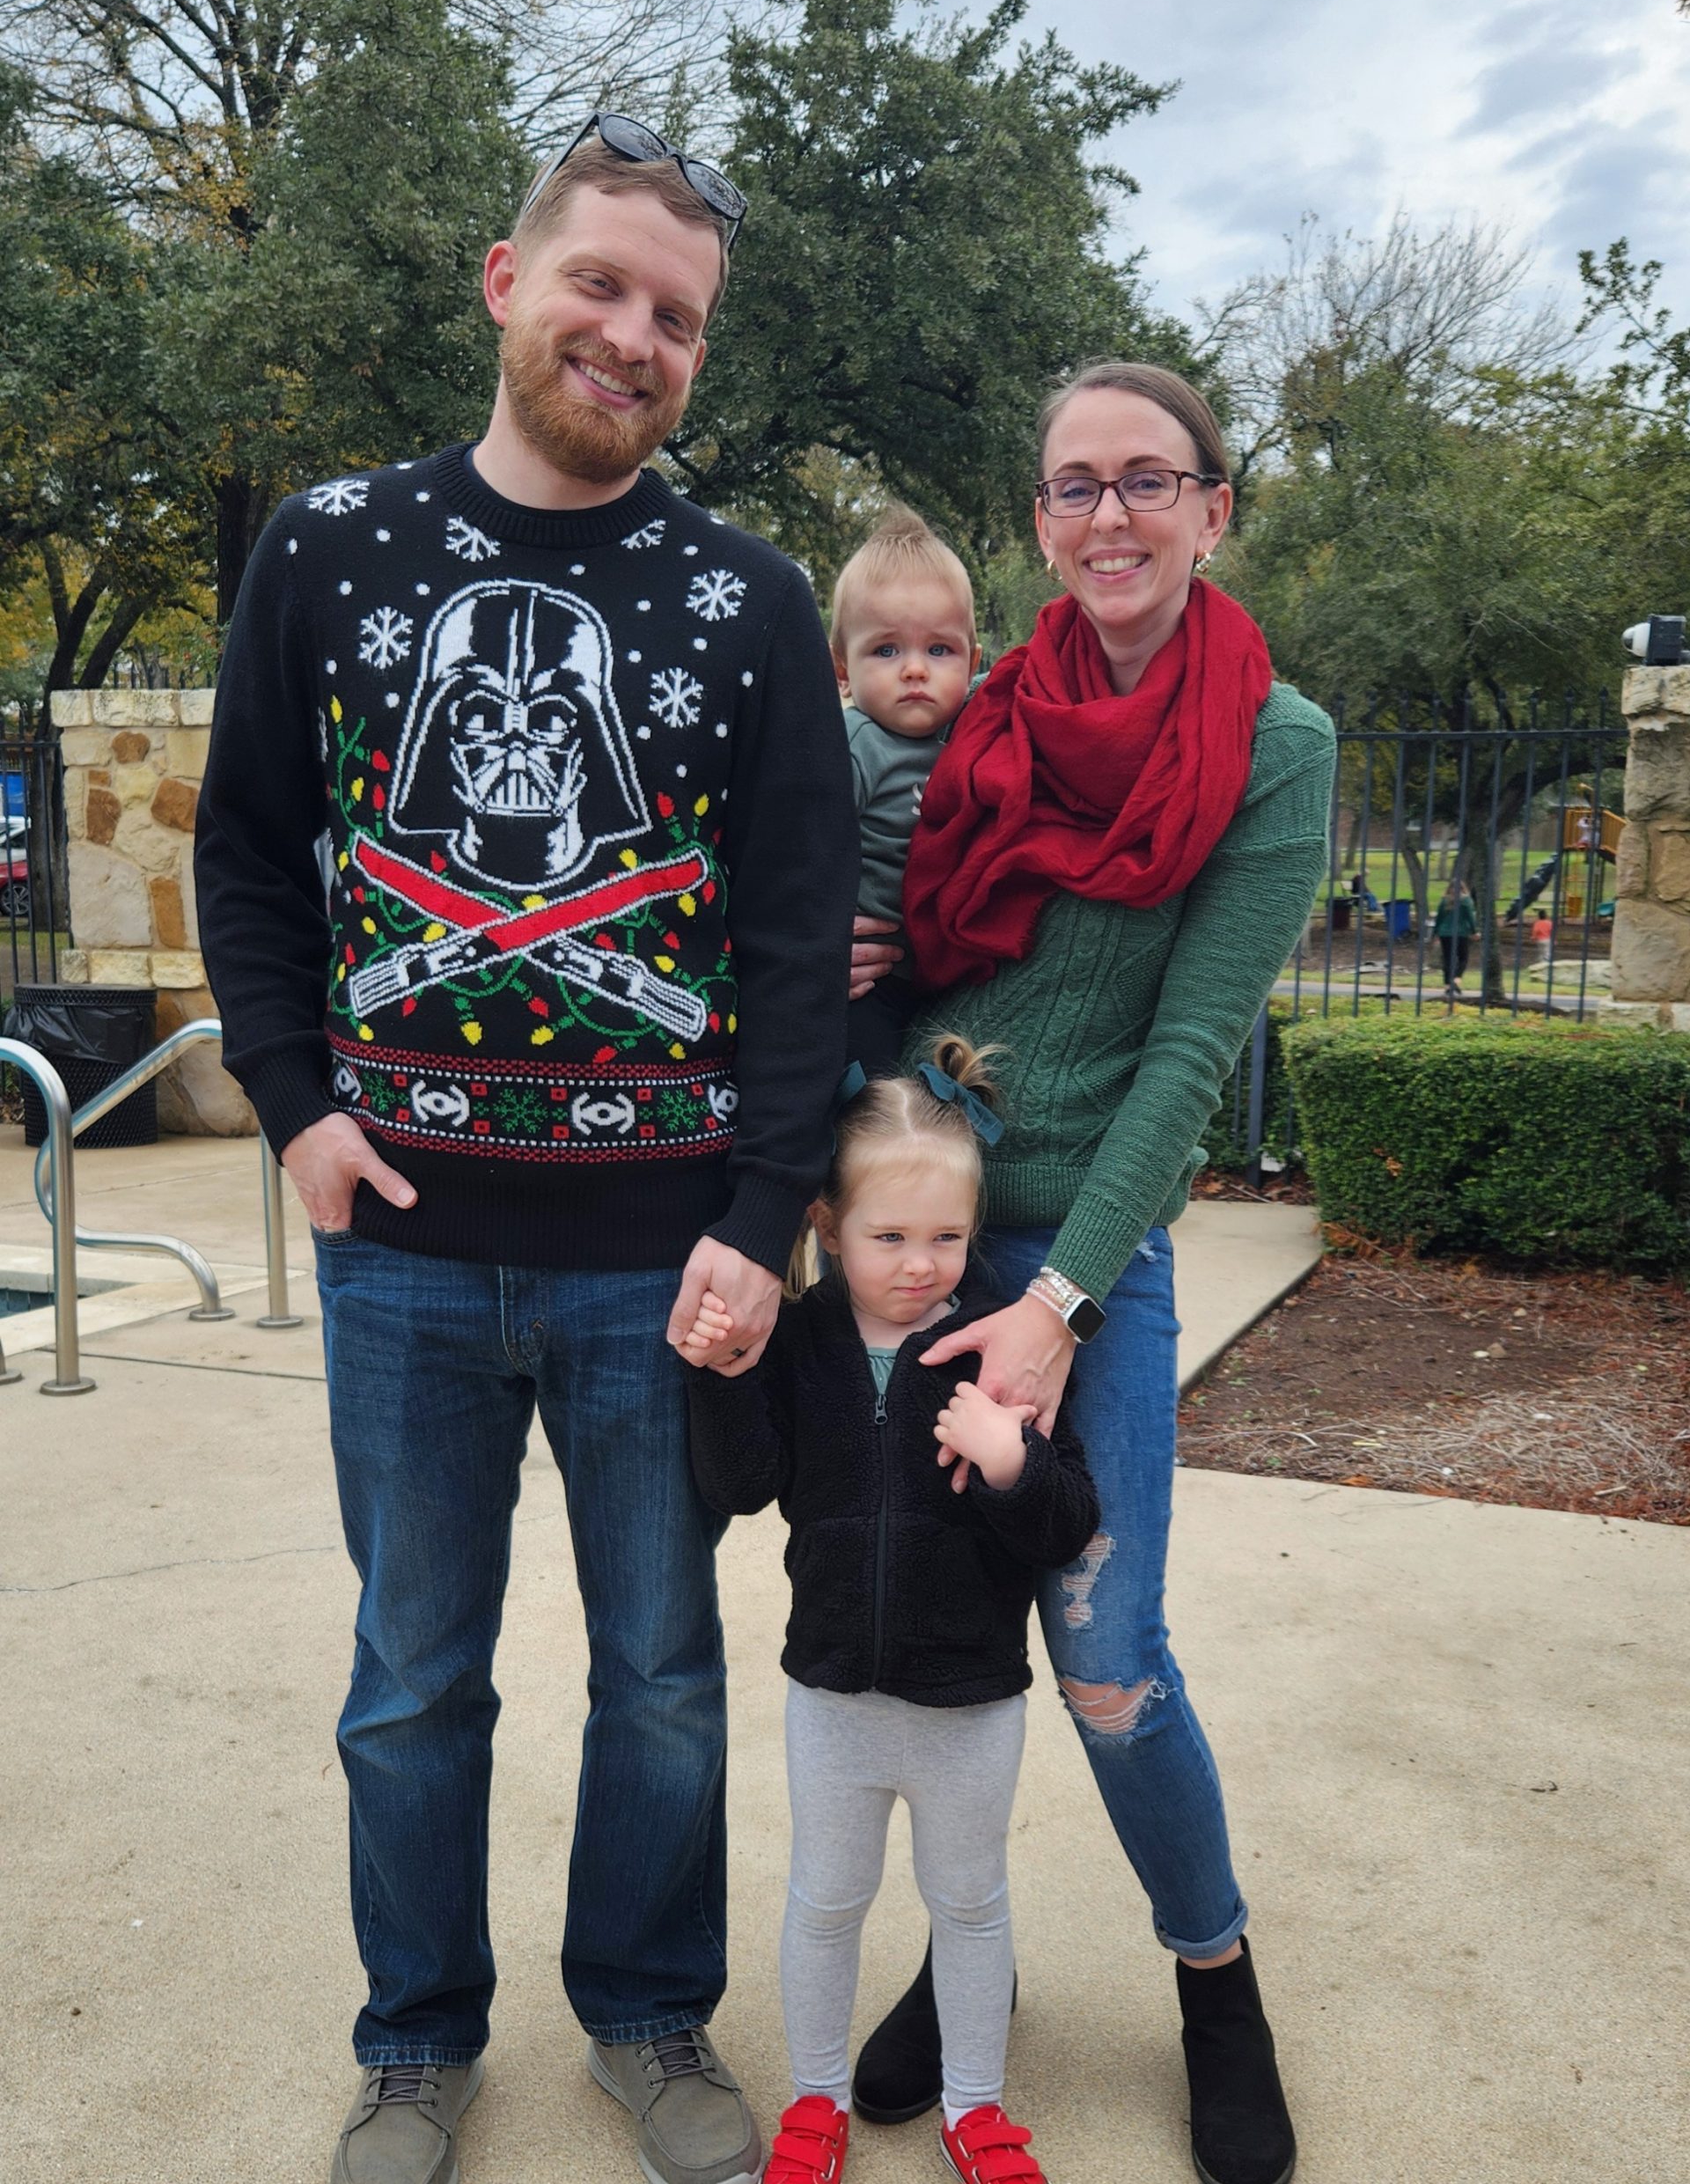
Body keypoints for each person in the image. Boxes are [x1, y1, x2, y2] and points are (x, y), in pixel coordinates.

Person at [195, 113, 856, 2184]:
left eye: (677, 314)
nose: (635, 334)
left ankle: (648, 2013)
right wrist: (297, 1101)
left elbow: (793, 931)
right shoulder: (326, 547)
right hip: (400, 1241)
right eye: (600, 283)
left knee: (659, 1670)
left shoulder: (750, 599)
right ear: (506, 280)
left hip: (663, 1253)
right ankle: (415, 2040)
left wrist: (764, 1208)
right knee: (412, 1676)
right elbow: (249, 847)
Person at [849, 362, 1336, 2184]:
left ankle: (1216, 1977)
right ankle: (965, 1952)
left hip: (1084, 1253)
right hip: (924, 1225)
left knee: (1109, 1656)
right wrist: (857, 970)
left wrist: (1057, 1310)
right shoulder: (985, 708)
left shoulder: (1276, 743)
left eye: (1147, 478)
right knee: (941, 1639)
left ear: (1214, 507)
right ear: (1041, 517)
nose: (1109, 513)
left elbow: (1192, 1053)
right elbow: (924, 944)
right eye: (1074, 484)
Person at [680, 1040, 1099, 2184]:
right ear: (825, 1223)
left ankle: (976, 2109)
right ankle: (816, 2101)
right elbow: (741, 1485)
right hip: (832, 1696)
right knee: (826, 1902)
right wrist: (722, 1375)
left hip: (970, 1702)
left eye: (948, 1237)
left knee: (969, 1905)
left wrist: (1011, 1461)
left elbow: (1067, 1521)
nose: (922, 1265)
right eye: (890, 1237)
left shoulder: (1000, 1352)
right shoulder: (798, 1338)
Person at [831, 509, 979, 1076]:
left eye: (939, 650)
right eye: (886, 650)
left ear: (972, 662)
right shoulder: (855, 746)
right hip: (866, 981)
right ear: (842, 669)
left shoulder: (969, 736)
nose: (915, 669)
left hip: (934, 980)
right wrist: (816, 941)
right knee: (871, 1100)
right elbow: (795, 857)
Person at [1435, 879, 1478, 995]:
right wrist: (1474, 931)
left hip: (1445, 933)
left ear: (1449, 888)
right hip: (1461, 933)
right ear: (1463, 888)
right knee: (1463, 958)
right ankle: (1456, 980)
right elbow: (1470, 917)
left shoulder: (1444, 900)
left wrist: (1436, 933)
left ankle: (1447, 986)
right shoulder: (1466, 901)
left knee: (1447, 959)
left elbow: (1439, 918)